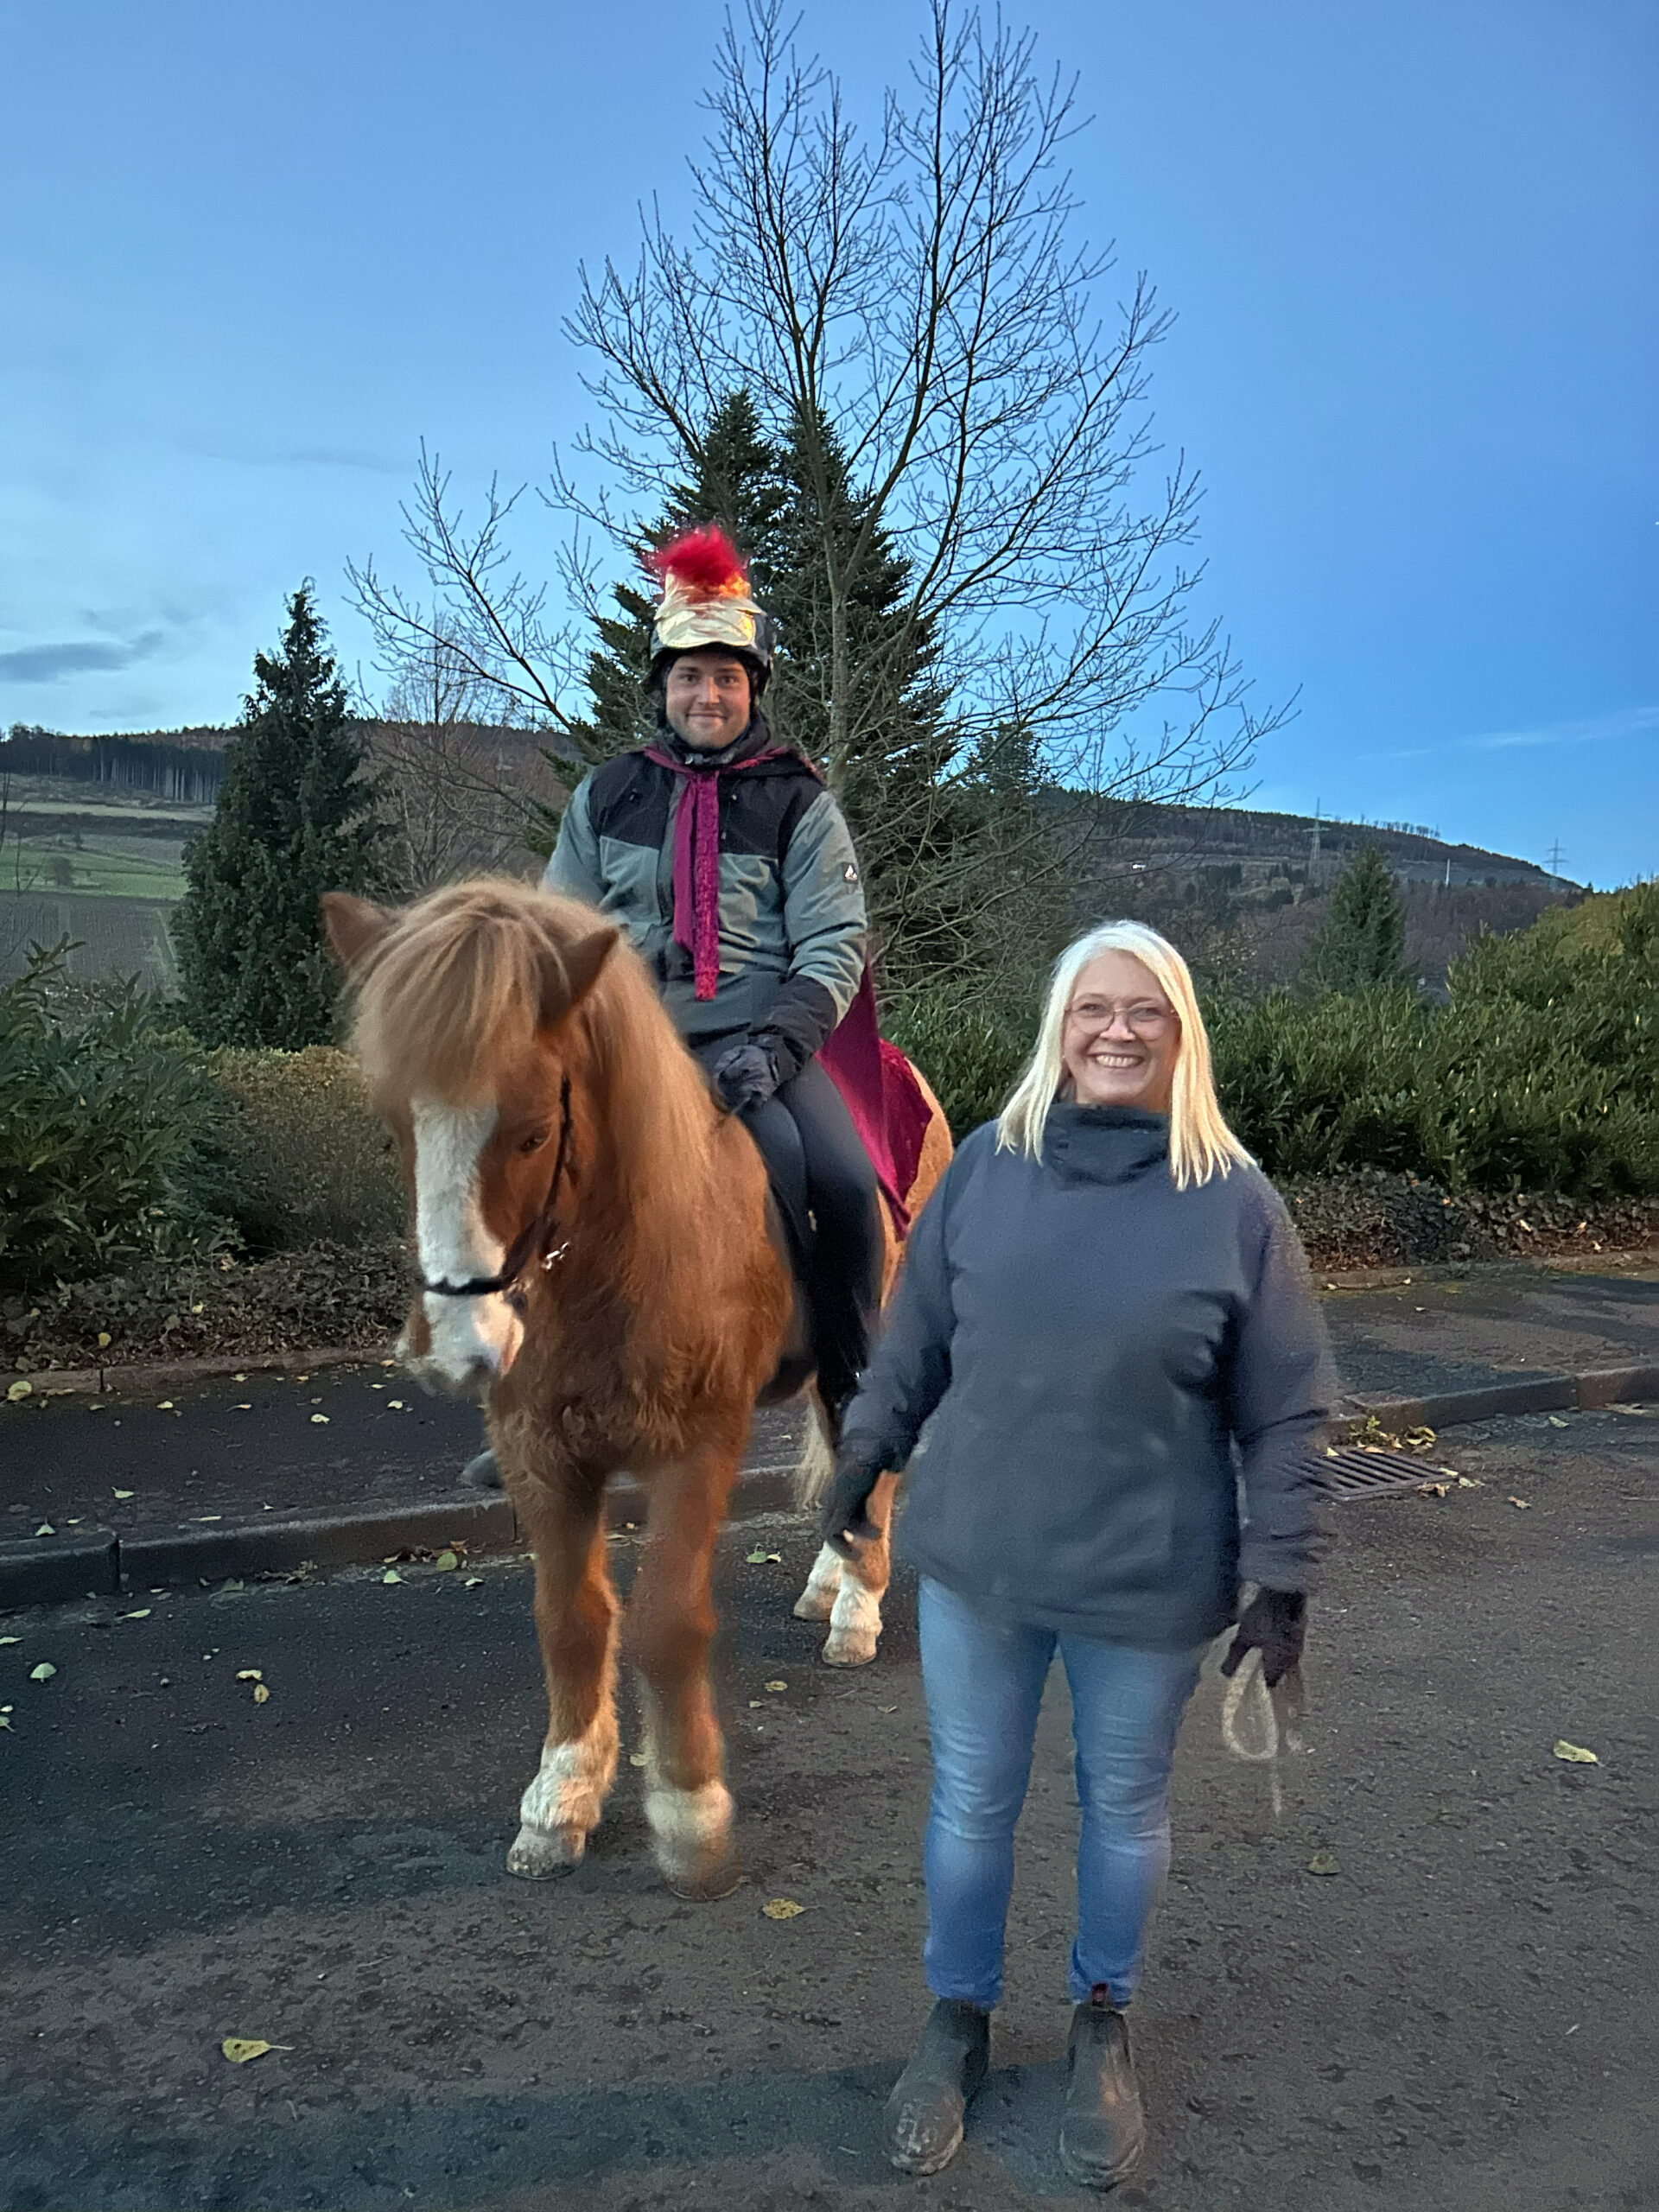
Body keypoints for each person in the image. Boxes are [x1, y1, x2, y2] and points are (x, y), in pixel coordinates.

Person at [819, 920, 1335, 2189]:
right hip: (982, 1564)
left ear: (1181, 1035)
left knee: (1124, 1810)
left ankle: (1103, 2020)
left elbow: (1287, 1408)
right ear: (1060, 1025)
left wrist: (1286, 1577)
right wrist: (861, 1458)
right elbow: (913, 1346)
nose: (1118, 1030)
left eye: (1145, 1012)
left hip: (1144, 1579)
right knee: (971, 1804)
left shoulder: (1235, 1204)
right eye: (1094, 1008)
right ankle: (959, 2019)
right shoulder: (990, 1169)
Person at [545, 524, 883, 1421]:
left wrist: (775, 1050)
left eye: (726, 676)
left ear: (751, 686)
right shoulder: (605, 795)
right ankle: (537, 1391)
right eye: (690, 676)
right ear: (663, 686)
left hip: (760, 1046)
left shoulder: (800, 802)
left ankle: (854, 1385)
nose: (708, 693)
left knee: (843, 1181)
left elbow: (833, 942)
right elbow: (560, 932)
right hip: (630, 1044)